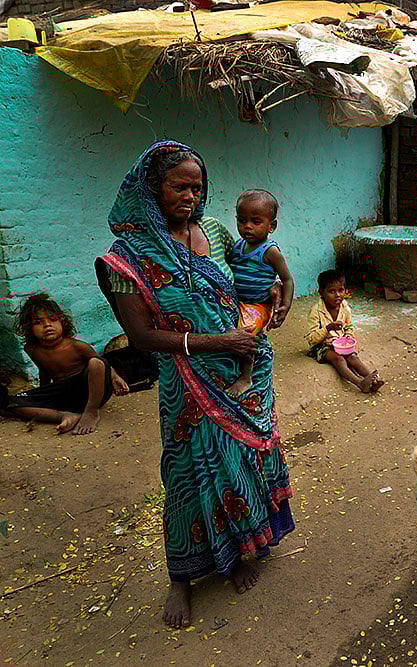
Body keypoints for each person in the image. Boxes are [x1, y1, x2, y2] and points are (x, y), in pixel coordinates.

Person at [95, 141, 295, 628]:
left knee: (244, 460)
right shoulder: (126, 257)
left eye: (197, 186)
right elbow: (142, 337)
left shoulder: (217, 230)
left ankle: (241, 550)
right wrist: (215, 342)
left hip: (244, 366)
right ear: (152, 189)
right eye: (178, 186)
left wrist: (272, 295)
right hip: (188, 381)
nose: (189, 196)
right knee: (188, 475)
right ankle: (181, 578)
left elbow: (246, 275)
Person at [1, 293, 129, 435]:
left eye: (53, 320)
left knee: (95, 362)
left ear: (62, 322)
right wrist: (44, 395)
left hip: (90, 391)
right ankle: (63, 415)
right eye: (38, 322)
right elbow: (44, 370)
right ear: (29, 328)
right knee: (10, 403)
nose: (47, 325)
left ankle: (91, 412)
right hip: (62, 395)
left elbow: (102, 365)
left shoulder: (77, 346)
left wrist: (115, 377)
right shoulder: (32, 349)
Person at [226, 189, 294, 396]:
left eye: (256, 222)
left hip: (257, 305)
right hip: (238, 302)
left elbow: (287, 279)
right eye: (242, 220)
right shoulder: (237, 246)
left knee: (246, 334)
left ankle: (246, 377)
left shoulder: (270, 251)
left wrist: (286, 304)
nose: (247, 227)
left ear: (271, 226)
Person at [305, 269, 384, 393]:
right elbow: (311, 339)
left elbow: (349, 327)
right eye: (332, 291)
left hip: (340, 344)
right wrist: (328, 329)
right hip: (321, 346)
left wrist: (348, 338)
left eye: (341, 290)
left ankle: (373, 379)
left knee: (352, 357)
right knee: (339, 359)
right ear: (321, 293)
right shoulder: (316, 311)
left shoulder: (345, 307)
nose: (338, 295)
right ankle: (360, 383)